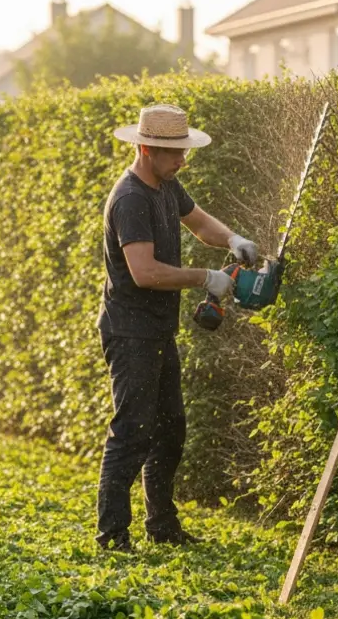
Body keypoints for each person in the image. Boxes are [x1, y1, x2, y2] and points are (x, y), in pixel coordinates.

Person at [94, 103, 259, 552]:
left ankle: (162, 527)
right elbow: (145, 272)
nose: (182, 160)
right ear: (147, 149)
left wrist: (231, 240)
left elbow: (199, 222)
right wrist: (205, 278)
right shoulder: (130, 198)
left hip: (157, 330)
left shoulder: (166, 186)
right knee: (132, 432)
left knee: (171, 429)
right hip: (130, 332)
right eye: (174, 153)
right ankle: (112, 536)